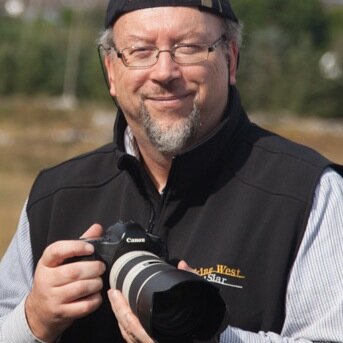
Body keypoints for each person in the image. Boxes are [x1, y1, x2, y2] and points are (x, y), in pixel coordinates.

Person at [1, 0, 343, 342]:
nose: (164, 72)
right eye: (140, 50)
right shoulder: (56, 194)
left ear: (231, 59)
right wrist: (33, 320)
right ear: (111, 71)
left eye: (189, 47)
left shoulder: (309, 193)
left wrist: (210, 337)